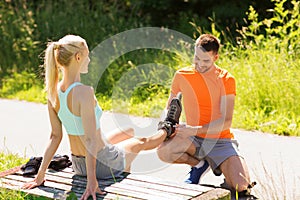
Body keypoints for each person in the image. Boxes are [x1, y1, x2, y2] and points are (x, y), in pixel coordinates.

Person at [22, 35, 169, 200]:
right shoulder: (84, 93)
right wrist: (92, 182)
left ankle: (129, 158)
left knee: (128, 131)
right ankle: (167, 128)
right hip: (102, 165)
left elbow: (55, 136)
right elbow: (90, 140)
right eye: (87, 55)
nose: (89, 60)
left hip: (78, 165)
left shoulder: (53, 92)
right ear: (78, 57)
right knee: (141, 141)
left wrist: (40, 174)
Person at [157, 34, 253, 194]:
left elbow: (225, 122)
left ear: (216, 57)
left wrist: (193, 129)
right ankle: (198, 165)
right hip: (193, 139)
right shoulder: (182, 75)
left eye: (206, 61)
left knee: (241, 186)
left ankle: (222, 172)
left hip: (220, 139)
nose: (200, 64)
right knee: (163, 151)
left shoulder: (226, 79)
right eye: (197, 58)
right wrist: (166, 123)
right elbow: (169, 107)